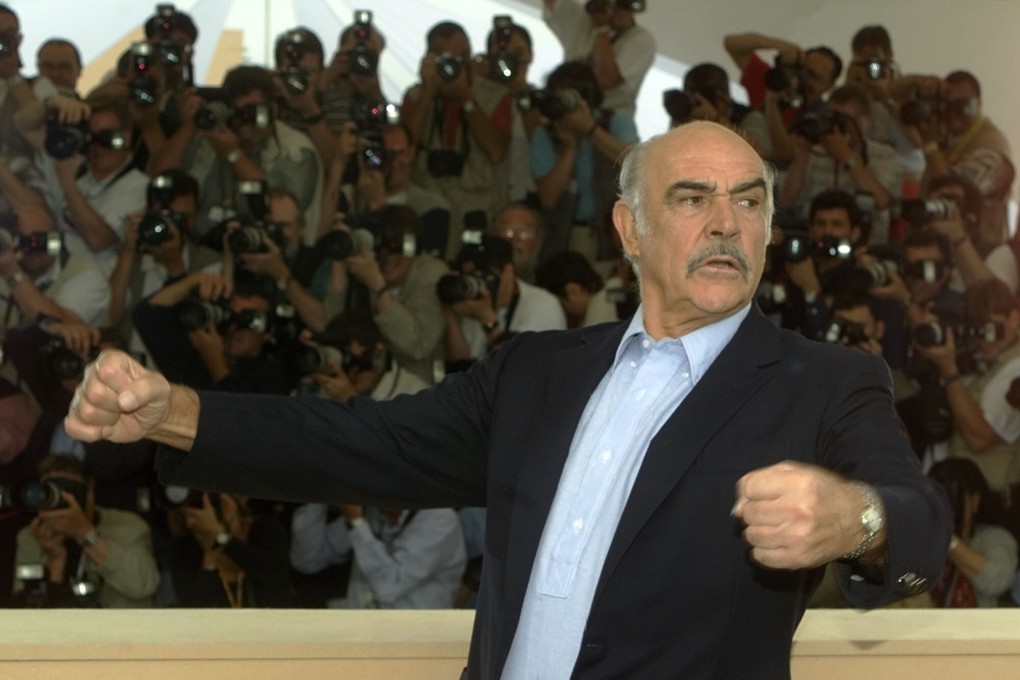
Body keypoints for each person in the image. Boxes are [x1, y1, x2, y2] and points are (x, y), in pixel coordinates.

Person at [66, 121, 950, 679]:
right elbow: (366, 442)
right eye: (693, 199)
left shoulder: (825, 380)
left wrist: (858, 520)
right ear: (629, 229)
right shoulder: (537, 371)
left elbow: (920, 518)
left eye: (748, 203)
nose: (726, 222)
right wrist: (176, 412)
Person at [13, 454, 160, 608]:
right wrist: (55, 559)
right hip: (57, 629)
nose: (61, 501)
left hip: (116, 627)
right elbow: (26, 612)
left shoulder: (128, 526)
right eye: (51, 492)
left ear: (89, 493)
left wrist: (86, 535)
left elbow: (144, 585)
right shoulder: (31, 536)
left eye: (69, 490)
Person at [928, 458, 1018, 607]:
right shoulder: (923, 538)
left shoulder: (995, 537)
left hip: (978, 627)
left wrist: (950, 539)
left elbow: (997, 580)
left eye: (952, 497)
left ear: (975, 500)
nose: (946, 505)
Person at [542, 0, 655, 117]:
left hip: (606, 120)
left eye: (625, 5)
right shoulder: (584, 22)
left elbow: (606, 79)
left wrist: (602, 30)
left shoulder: (641, 39)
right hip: (565, 110)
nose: (620, 11)